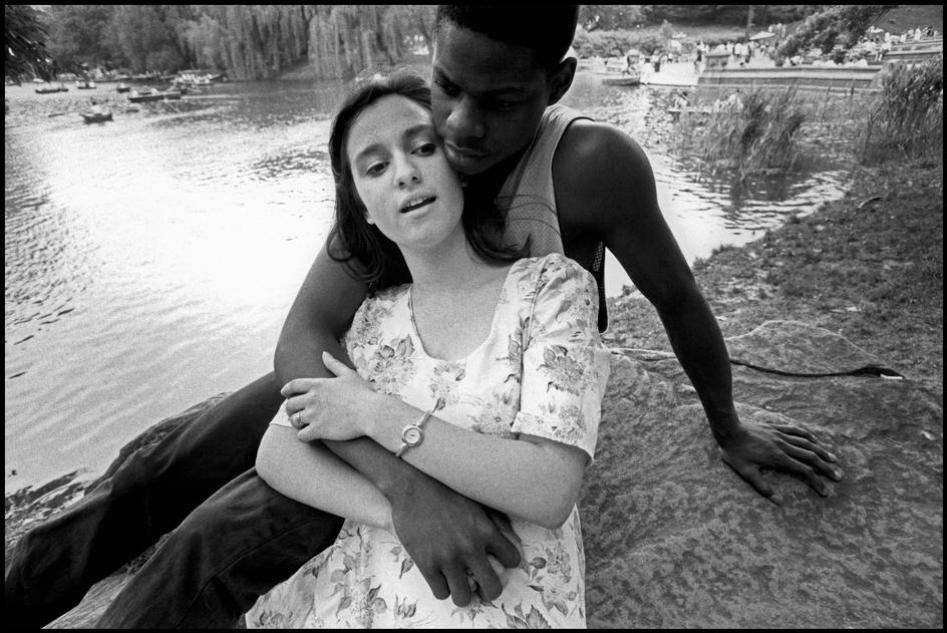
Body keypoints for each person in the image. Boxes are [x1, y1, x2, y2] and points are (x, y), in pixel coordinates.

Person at [5, 5, 842, 629]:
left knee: (222, 536)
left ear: (554, 84)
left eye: (500, 101)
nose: (462, 126)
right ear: (431, 59)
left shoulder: (588, 167)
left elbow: (677, 298)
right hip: (365, 377)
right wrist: (400, 483)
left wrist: (726, 424)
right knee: (162, 467)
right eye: (448, 87)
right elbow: (303, 336)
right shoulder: (408, 145)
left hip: (480, 400)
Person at [244, 71, 609, 628]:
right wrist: (402, 510)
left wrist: (374, 411)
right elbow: (278, 450)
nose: (405, 173)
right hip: (367, 597)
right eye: (376, 166)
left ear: (458, 161)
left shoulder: (551, 289)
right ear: (363, 207)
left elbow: (549, 487)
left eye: (422, 147)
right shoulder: (372, 318)